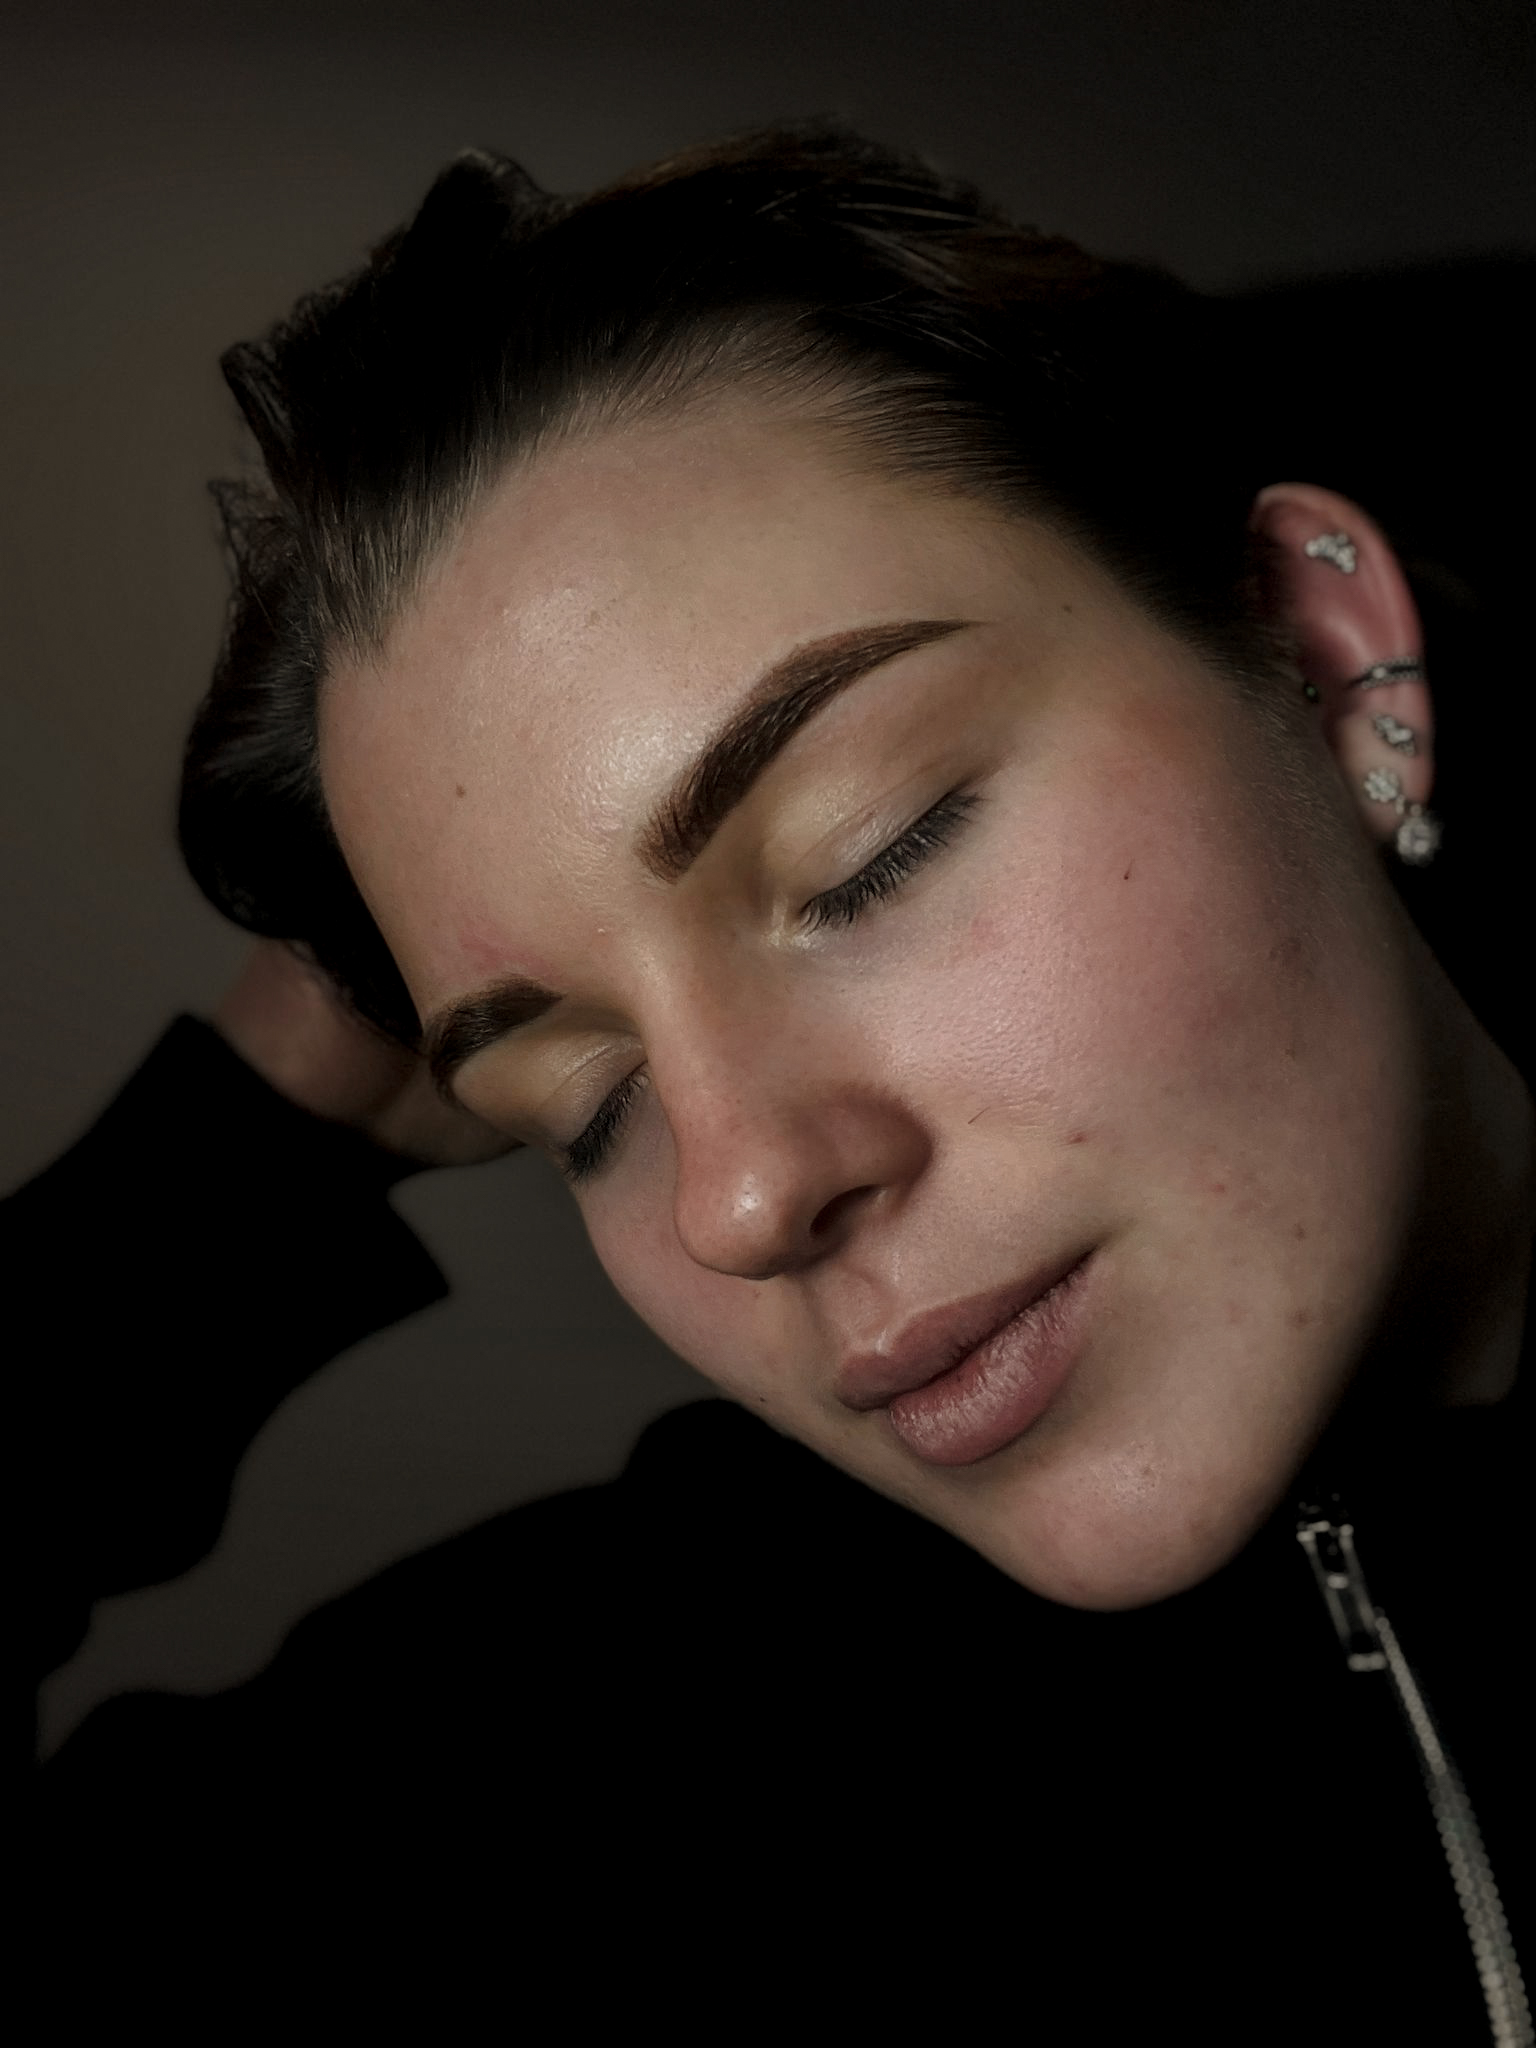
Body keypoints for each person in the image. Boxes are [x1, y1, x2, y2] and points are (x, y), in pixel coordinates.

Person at [19, 122, 1532, 2039]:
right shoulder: (615, 1757)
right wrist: (247, 1141)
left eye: (871, 861)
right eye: (586, 1104)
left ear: (1325, 665)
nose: (736, 1196)